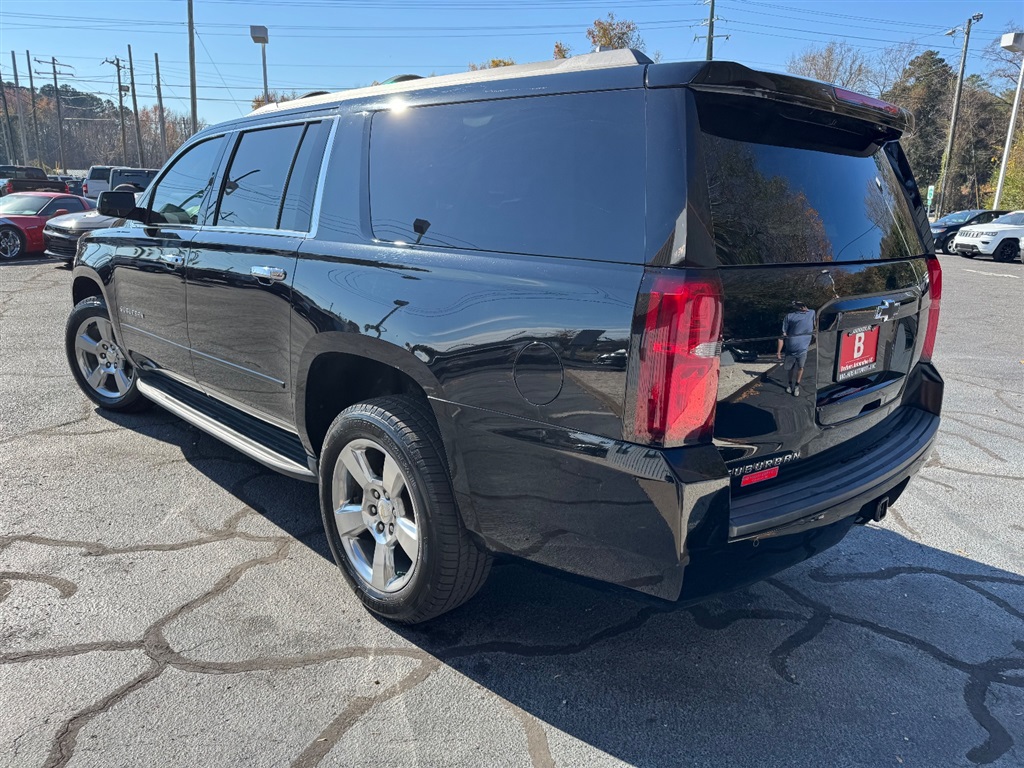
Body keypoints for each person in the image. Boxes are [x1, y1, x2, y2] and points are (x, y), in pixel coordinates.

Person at [776, 300, 815, 396]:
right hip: (790, 349)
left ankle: (797, 385)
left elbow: (818, 321)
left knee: (801, 367)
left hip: (803, 349)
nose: (803, 307)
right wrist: (779, 352)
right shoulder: (789, 316)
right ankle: (790, 384)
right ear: (796, 307)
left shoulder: (811, 313)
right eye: (800, 306)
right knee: (790, 368)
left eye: (803, 305)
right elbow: (782, 335)